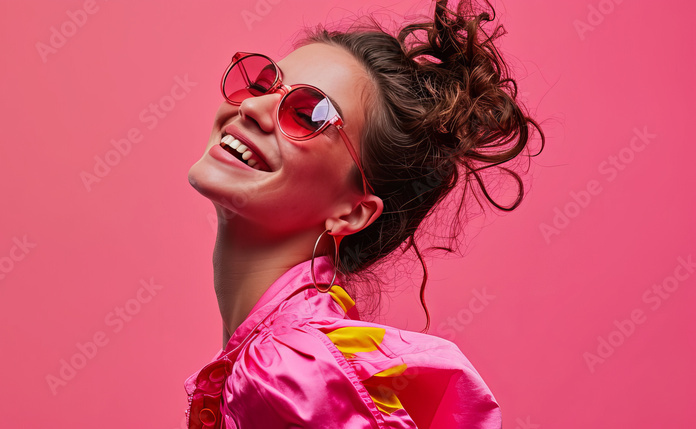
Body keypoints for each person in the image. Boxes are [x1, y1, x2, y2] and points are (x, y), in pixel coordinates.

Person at [184, 0, 545, 427]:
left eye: (308, 114)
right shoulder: (272, 357)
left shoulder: (295, 374)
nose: (252, 108)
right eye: (263, 84)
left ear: (353, 212)